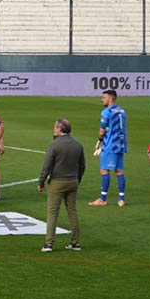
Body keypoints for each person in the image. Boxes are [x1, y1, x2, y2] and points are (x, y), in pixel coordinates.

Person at [39, 118, 85, 252]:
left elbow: (46, 166)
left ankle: (49, 243)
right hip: (73, 181)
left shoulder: (54, 144)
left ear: (60, 129)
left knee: (53, 212)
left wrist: (41, 182)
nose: (54, 129)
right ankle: (75, 242)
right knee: (72, 211)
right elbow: (82, 166)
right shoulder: (77, 144)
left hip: (57, 182)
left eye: (55, 127)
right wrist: (77, 179)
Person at [90, 89, 128, 207]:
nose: (102, 100)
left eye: (104, 97)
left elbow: (102, 130)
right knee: (119, 171)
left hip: (110, 144)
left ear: (111, 98)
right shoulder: (122, 111)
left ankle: (102, 199)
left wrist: (100, 141)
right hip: (121, 144)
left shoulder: (106, 112)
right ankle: (121, 199)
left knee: (104, 170)